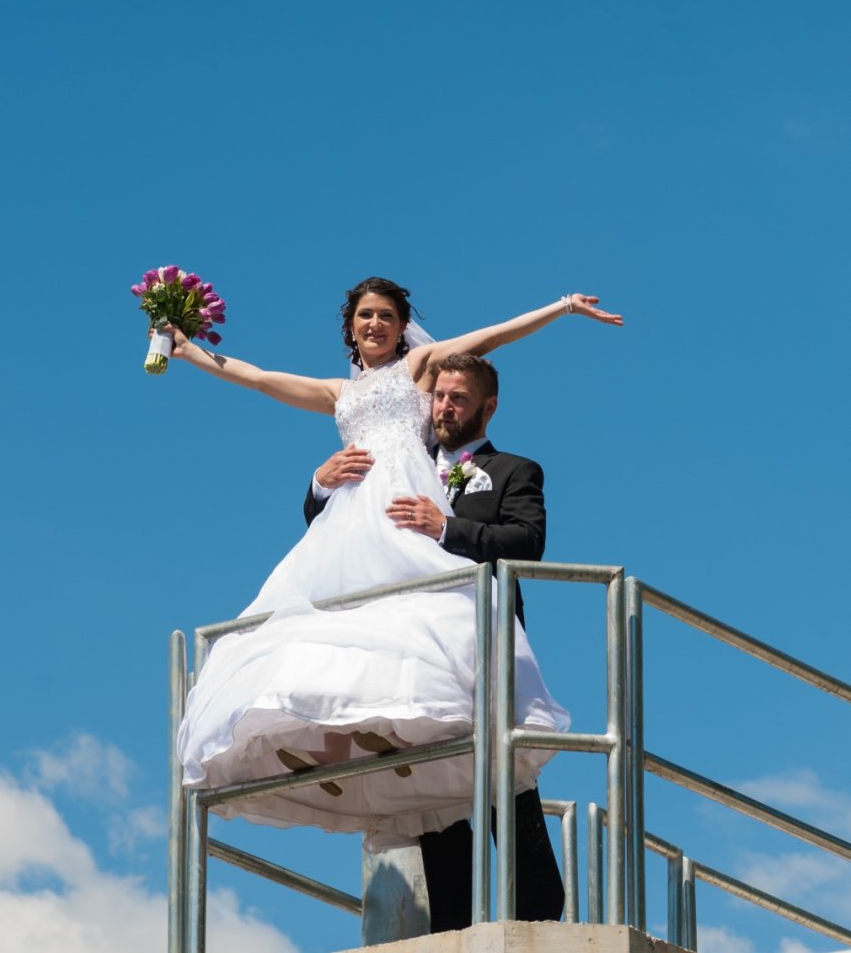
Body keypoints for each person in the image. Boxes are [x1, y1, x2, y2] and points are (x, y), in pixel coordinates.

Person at [171, 276, 622, 855]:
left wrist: (561, 307)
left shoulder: (418, 369)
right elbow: (257, 377)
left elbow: (492, 338)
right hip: (350, 513)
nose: (375, 324)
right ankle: (335, 737)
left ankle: (413, 724)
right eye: (365, 315)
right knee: (338, 621)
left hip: (403, 503)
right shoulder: (338, 391)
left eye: (386, 316)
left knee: (414, 615)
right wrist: (188, 351)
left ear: (402, 327)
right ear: (350, 326)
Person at [306, 350, 564, 926]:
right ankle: (452, 924)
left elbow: (527, 541)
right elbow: (337, 532)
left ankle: (540, 915)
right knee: (431, 786)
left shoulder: (514, 470)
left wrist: (446, 527)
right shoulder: (399, 462)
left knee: (502, 774)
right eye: (439, 396)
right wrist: (320, 485)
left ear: (487, 408)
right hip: (414, 651)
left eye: (458, 399)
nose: (444, 407)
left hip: (480, 647)